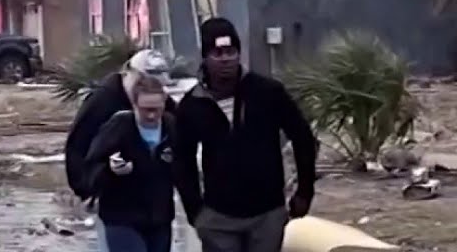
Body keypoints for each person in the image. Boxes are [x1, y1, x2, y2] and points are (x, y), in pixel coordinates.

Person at [173, 17, 317, 252]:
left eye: (231, 51)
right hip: (218, 218)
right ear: (205, 58)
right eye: (218, 53)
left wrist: (304, 191)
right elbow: (182, 161)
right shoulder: (192, 105)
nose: (226, 59)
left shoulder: (267, 92)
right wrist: (195, 212)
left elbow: (302, 138)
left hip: (267, 214)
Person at [65, 49, 177, 251]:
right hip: (116, 205)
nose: (152, 114)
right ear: (132, 77)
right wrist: (85, 189)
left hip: (155, 209)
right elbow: (77, 145)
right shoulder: (103, 102)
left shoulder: (164, 109)